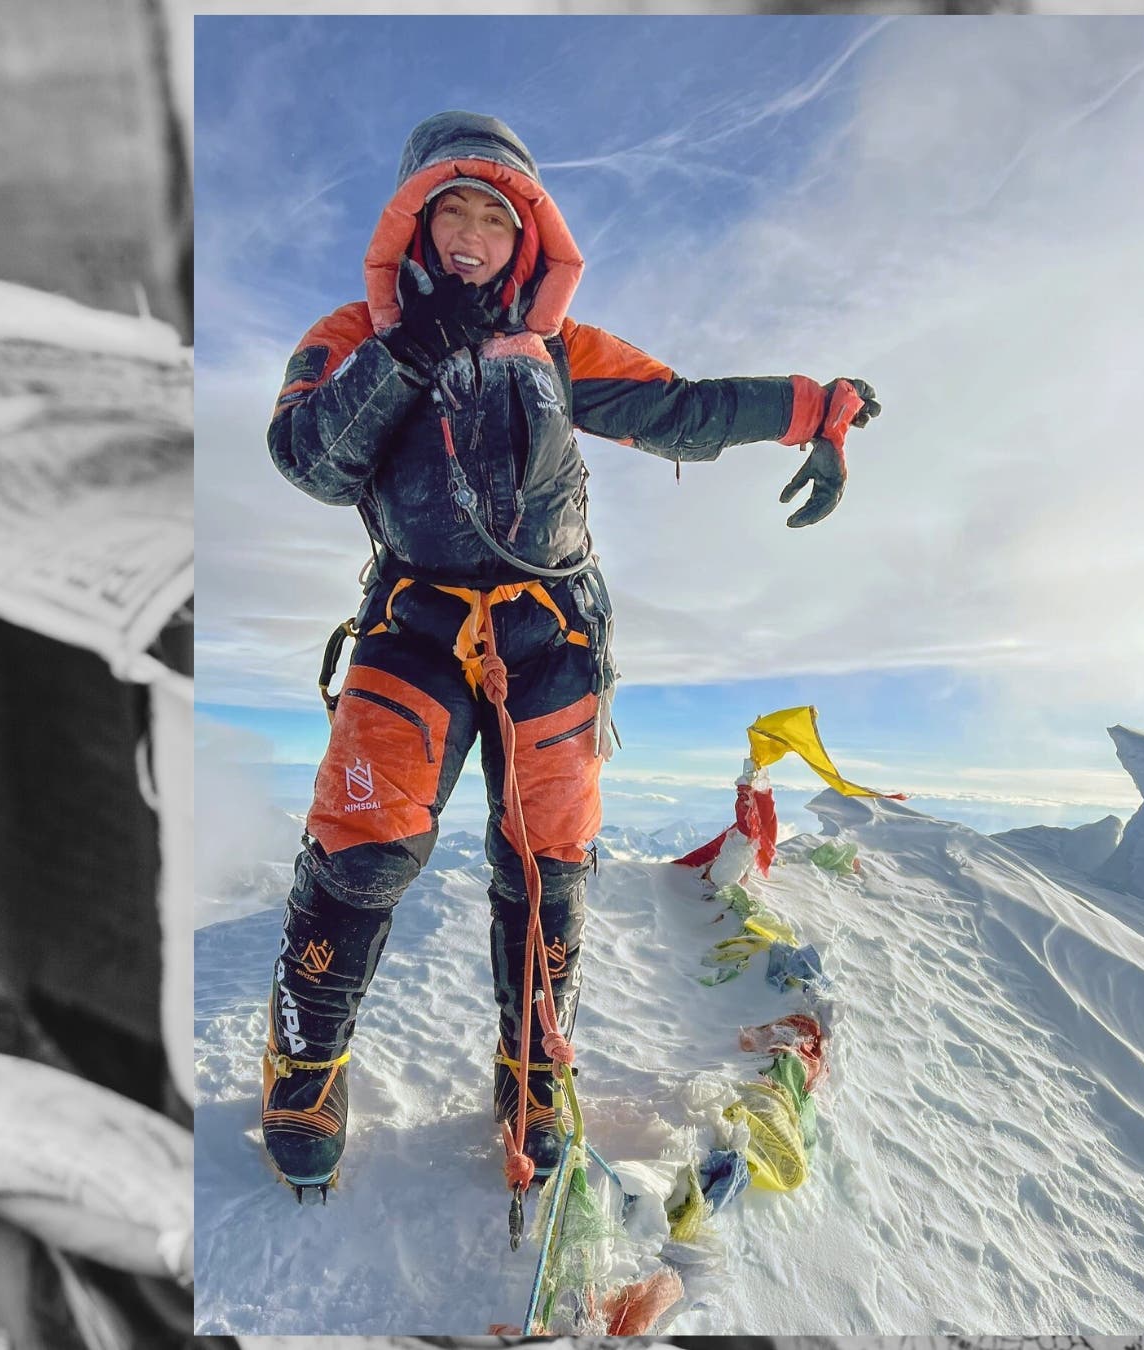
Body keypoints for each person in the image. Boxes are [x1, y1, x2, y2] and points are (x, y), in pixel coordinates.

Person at [260, 110, 880, 1201]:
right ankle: (306, 1062)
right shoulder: (352, 332)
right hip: (414, 626)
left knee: (549, 867)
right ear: (411, 220)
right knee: (360, 851)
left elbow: (681, 411)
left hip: (554, 635)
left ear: (526, 237)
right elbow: (307, 456)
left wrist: (817, 412)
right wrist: (408, 353)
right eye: (449, 207)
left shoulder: (556, 347)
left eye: (494, 216)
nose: (469, 232)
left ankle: (535, 1072)